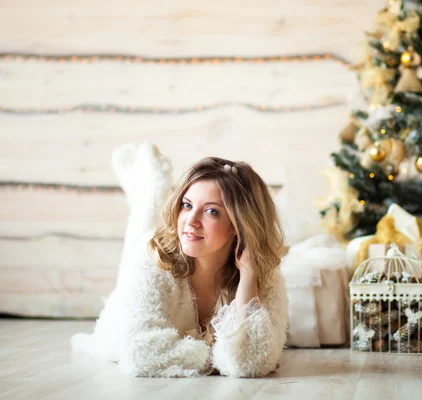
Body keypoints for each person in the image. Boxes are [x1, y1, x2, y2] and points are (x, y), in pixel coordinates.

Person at [71, 143, 288, 378]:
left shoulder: (260, 271)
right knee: (141, 235)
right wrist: (219, 356)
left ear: (238, 225)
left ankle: (149, 194)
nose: (191, 220)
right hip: (122, 311)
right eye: (186, 205)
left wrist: (248, 279)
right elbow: (141, 353)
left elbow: (252, 362)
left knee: (146, 228)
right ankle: (150, 193)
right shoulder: (151, 259)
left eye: (211, 211)